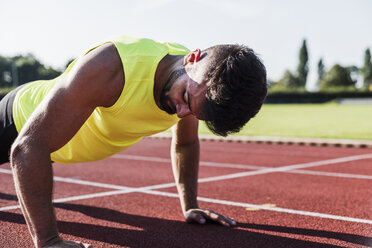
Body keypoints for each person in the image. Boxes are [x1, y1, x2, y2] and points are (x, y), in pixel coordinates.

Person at [0, 35, 267, 247]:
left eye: (194, 113)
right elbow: (27, 148)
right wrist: (48, 241)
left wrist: (190, 205)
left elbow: (185, 143)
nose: (183, 115)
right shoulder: (110, 66)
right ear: (192, 58)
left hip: (53, 146)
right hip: (21, 120)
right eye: (186, 100)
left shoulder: (196, 83)